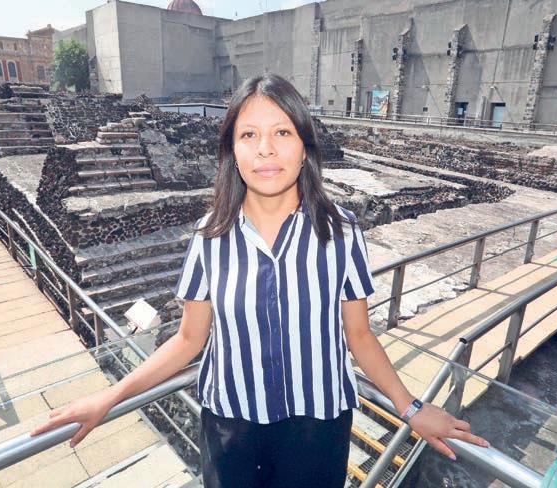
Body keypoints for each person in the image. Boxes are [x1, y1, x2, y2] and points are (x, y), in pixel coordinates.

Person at [31, 73, 489, 487]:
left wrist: (410, 407)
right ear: (232, 150)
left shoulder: (341, 232)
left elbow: (360, 335)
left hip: (317, 429)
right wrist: (110, 398)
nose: (265, 149)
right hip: (231, 433)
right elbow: (189, 339)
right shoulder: (209, 237)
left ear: (304, 147)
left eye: (282, 133)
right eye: (249, 135)